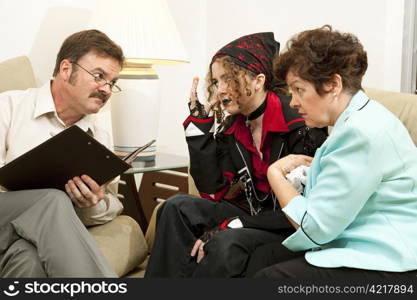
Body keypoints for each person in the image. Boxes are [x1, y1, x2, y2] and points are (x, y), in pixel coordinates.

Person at [145, 32, 327, 277]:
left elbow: (308, 209)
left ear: (258, 80)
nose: (219, 90)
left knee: (226, 242)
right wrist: (200, 126)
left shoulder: (299, 124)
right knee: (175, 207)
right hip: (252, 214)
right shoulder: (234, 126)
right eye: (216, 81)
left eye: (227, 79)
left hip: (286, 223)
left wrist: (233, 225)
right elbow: (212, 190)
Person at [249, 25, 417, 278]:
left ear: (333, 84)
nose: (293, 102)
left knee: (270, 278)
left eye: (299, 89)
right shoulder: (357, 119)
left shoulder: (360, 132)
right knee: (257, 256)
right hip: (361, 240)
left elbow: (313, 228)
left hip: (389, 259)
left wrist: (275, 174)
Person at [0, 29, 125, 277]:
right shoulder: (8, 107)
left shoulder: (99, 136)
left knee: (29, 260)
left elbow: (114, 205)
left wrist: (93, 203)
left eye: (112, 83)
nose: (107, 89)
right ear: (66, 69)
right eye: (99, 76)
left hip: (24, 237)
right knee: (51, 200)